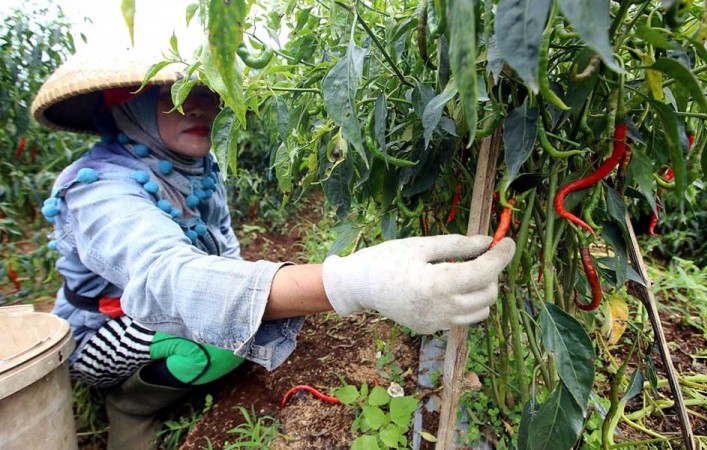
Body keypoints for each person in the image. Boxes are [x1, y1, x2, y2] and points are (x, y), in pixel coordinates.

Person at [30, 48, 515, 450]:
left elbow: (222, 248)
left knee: (244, 326)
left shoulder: (196, 165)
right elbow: (165, 277)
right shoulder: (98, 189)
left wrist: (254, 294)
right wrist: (350, 281)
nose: (199, 106)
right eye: (173, 96)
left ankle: (181, 366)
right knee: (226, 343)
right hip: (103, 329)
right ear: (123, 105)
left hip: (159, 309)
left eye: (208, 94)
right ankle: (130, 403)